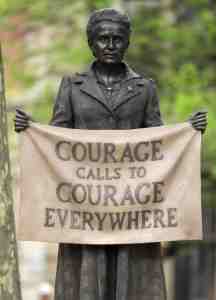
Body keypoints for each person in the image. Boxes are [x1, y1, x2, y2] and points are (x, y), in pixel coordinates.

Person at [14, 8, 207, 300]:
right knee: (87, 280)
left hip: (133, 213)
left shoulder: (145, 88)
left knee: (133, 280)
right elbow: (56, 145)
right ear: (91, 43)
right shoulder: (72, 87)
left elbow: (159, 146)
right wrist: (31, 130)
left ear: (127, 42)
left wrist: (188, 131)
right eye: (103, 39)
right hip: (85, 212)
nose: (111, 45)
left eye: (118, 39)